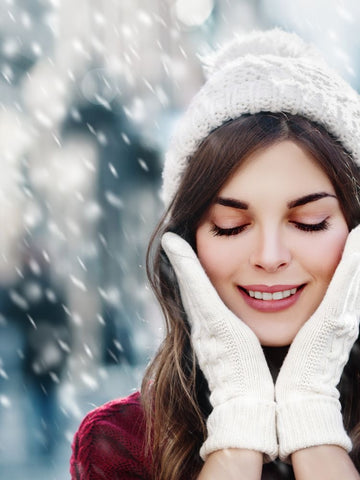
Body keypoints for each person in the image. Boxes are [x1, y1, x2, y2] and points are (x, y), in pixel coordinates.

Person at [70, 28, 360, 479]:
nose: (270, 256)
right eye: (231, 227)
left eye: (309, 222)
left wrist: (312, 412)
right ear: (186, 246)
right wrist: (240, 417)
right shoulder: (124, 442)